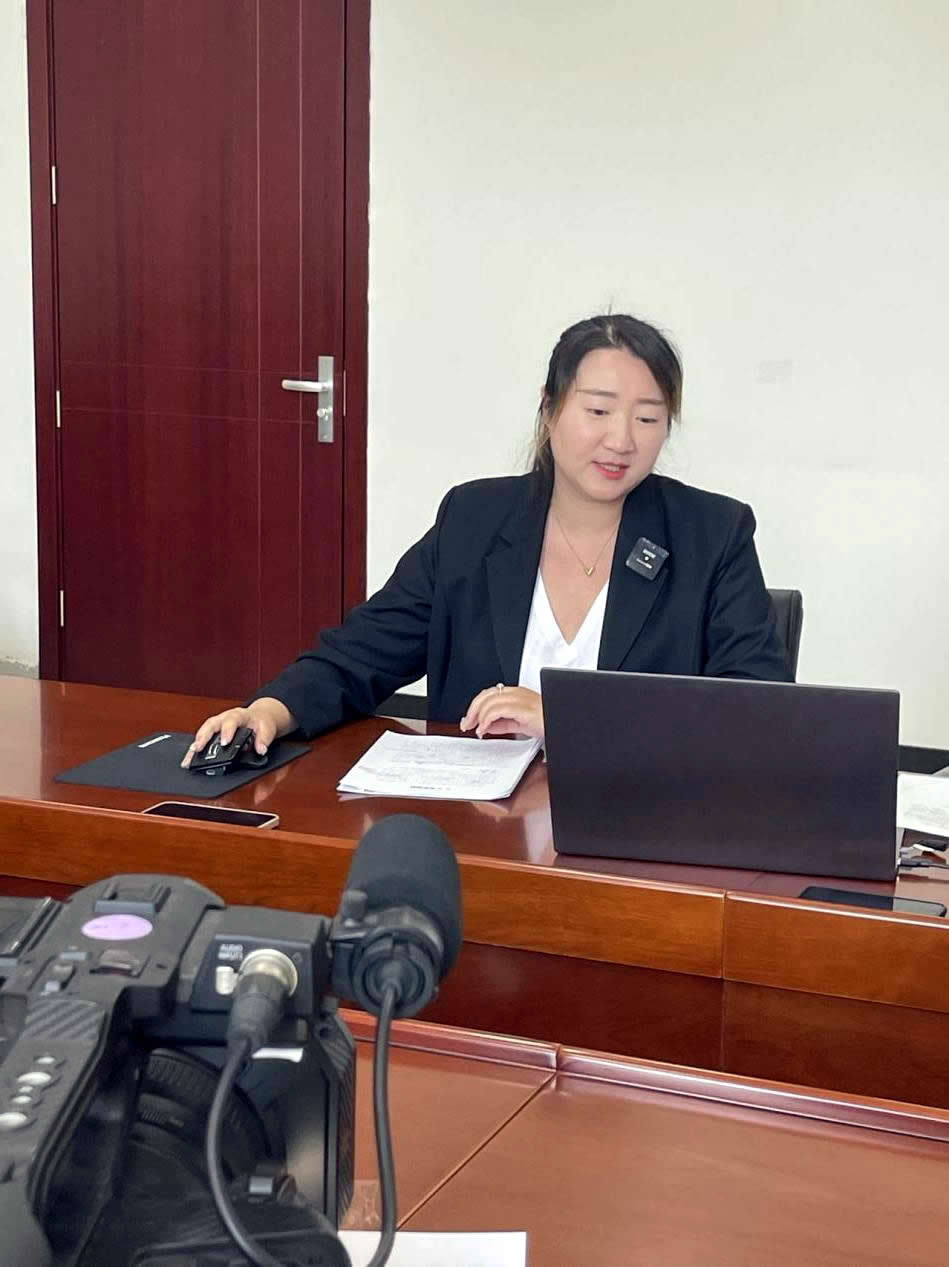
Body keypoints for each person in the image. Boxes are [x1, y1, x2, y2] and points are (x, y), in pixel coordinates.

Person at [183, 313, 791, 765]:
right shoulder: (475, 519)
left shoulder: (713, 534)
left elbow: (756, 712)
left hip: (638, 825)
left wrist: (564, 721)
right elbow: (363, 652)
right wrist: (270, 710)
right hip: (479, 824)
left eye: (648, 418)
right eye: (598, 411)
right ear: (549, 410)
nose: (622, 440)